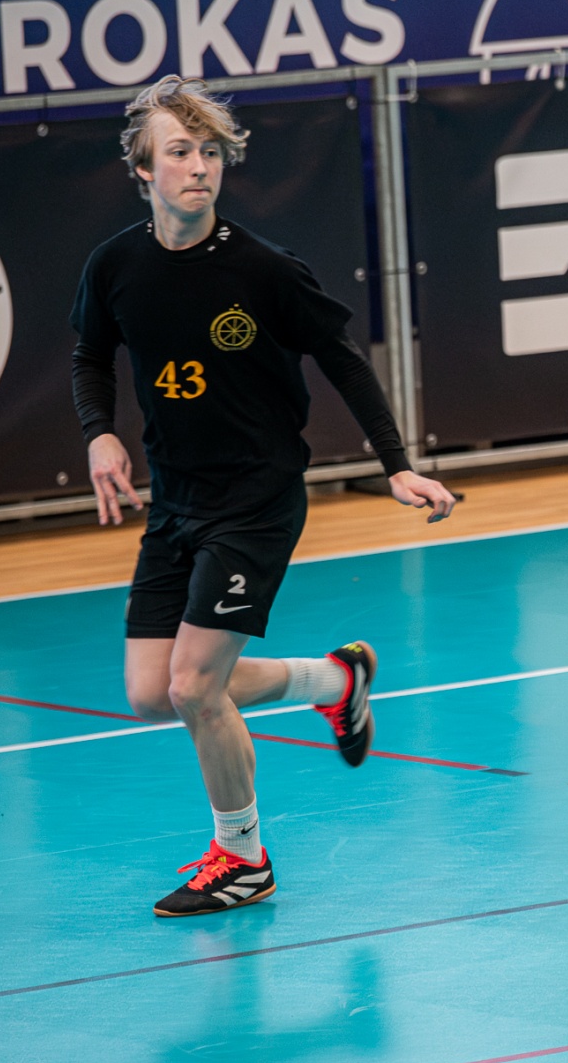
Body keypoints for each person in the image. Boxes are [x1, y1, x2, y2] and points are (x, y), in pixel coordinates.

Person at [71, 75, 458, 918]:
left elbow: (343, 359)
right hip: (176, 499)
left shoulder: (263, 270)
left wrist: (395, 464)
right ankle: (335, 681)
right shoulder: (116, 266)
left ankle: (243, 858)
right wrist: (100, 432)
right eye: (180, 152)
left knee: (193, 689)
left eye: (210, 152)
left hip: (256, 499)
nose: (198, 167)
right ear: (144, 169)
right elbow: (91, 355)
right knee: (151, 692)